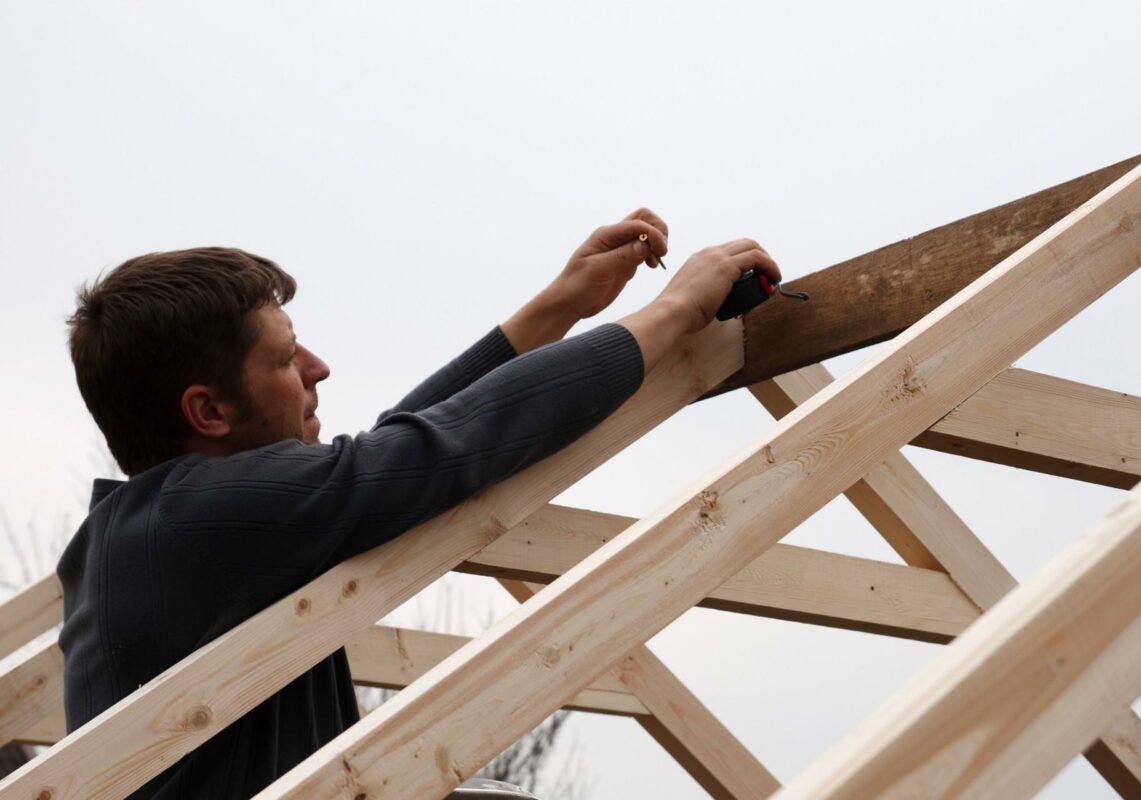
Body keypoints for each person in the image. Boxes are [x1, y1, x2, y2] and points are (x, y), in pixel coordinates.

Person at [58, 208, 781, 799]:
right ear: (208, 411)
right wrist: (676, 310)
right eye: (283, 358)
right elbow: (433, 450)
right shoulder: (194, 524)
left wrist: (556, 308)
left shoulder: (162, 531)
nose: (318, 369)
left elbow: (390, 459)